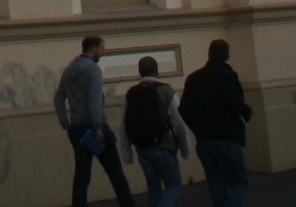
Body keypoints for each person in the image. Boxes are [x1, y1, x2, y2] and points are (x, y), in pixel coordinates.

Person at [55, 34, 135, 207]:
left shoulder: (68, 71)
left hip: (77, 129)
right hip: (94, 128)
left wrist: (65, 124)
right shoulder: (93, 70)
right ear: (94, 50)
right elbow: (94, 100)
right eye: (102, 49)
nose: (103, 53)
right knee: (116, 173)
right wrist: (98, 127)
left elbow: (58, 98)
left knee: (82, 176)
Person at [176, 39, 253, 207]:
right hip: (228, 137)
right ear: (227, 56)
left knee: (216, 185)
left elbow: (183, 110)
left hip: (204, 140)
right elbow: (233, 100)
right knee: (240, 184)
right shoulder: (227, 75)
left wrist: (197, 129)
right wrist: (247, 112)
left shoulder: (194, 78)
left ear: (209, 54)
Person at [122, 56, 193, 207]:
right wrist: (185, 149)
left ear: (139, 72)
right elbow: (179, 123)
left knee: (153, 189)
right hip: (164, 146)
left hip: (142, 148)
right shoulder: (166, 91)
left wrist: (127, 154)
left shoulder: (131, 93)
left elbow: (124, 125)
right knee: (173, 184)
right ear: (157, 71)